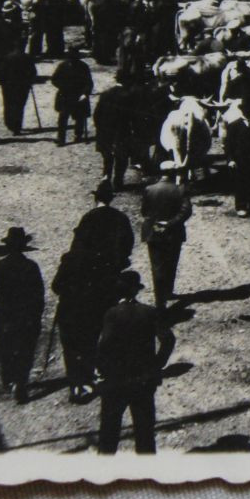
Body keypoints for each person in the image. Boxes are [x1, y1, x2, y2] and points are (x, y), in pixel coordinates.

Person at [95, 271, 175, 455]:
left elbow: (104, 346)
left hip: (116, 380)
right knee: (145, 431)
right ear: (135, 291)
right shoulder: (149, 312)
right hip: (143, 379)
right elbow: (168, 339)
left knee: (109, 431)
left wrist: (102, 369)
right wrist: (157, 364)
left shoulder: (112, 314)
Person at [53, 223, 123, 402]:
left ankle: (75, 385)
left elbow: (56, 286)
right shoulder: (102, 259)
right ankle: (86, 382)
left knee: (70, 349)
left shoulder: (68, 260)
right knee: (88, 347)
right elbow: (109, 290)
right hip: (91, 313)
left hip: (68, 312)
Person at [0, 226, 44, 404]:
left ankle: (9, 380)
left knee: (6, 348)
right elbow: (39, 295)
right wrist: (36, 316)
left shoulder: (0, 266)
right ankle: (21, 382)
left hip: (5, 317)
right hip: (27, 316)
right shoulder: (32, 267)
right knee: (25, 350)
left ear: (8, 247)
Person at [140, 173, 192, 310]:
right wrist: (169, 223)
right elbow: (186, 211)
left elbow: (144, 211)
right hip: (173, 233)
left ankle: (160, 299)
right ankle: (168, 291)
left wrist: (157, 222)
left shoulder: (149, 189)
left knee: (157, 266)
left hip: (154, 231)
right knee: (171, 263)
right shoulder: (180, 190)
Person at [50, 49, 94, 146]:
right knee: (63, 118)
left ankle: (78, 135)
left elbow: (89, 83)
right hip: (66, 95)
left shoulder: (83, 67)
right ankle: (61, 138)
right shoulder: (63, 66)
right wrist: (63, 87)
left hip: (79, 95)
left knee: (80, 117)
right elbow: (54, 79)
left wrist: (85, 93)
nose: (73, 60)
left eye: (75, 58)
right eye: (71, 58)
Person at [0, 45, 38, 135]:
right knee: (20, 106)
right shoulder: (27, 57)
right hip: (23, 86)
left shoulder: (7, 57)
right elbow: (33, 72)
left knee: (8, 104)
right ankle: (17, 127)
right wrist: (30, 81)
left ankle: (9, 123)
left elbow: (1, 71)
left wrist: (0, 81)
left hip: (8, 86)